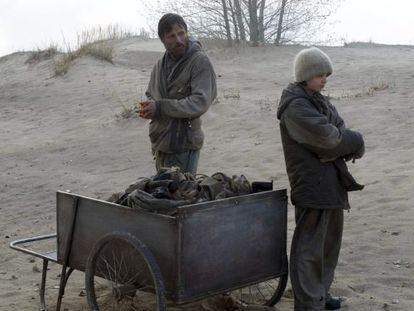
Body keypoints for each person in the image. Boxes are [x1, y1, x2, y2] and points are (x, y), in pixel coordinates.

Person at [276, 47, 365, 310]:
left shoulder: (320, 100)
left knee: (328, 245)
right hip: (311, 185)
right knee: (309, 248)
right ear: (305, 75)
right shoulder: (296, 106)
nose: (324, 79)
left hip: (332, 184)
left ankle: (320, 295)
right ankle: (308, 303)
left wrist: (348, 143)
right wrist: (348, 142)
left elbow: (339, 132)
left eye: (326, 74)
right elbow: (329, 139)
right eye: (319, 74)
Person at [139, 13, 217, 174]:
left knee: (183, 194)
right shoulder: (159, 66)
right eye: (172, 36)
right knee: (163, 194)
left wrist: (160, 107)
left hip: (185, 143)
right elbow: (150, 93)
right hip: (161, 142)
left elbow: (200, 102)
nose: (179, 40)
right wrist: (149, 108)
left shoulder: (199, 61)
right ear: (163, 40)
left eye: (181, 33)